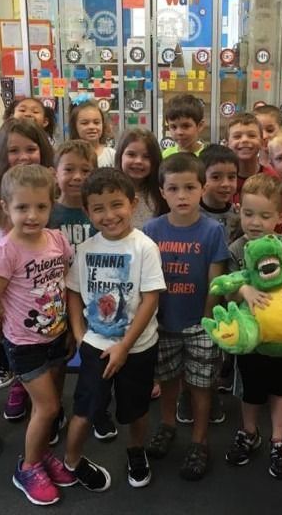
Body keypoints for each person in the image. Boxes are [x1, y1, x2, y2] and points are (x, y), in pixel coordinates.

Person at [63, 167, 166, 490]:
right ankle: (72, 460)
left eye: (116, 205)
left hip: (137, 346)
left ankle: (136, 451)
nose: (109, 215)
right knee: (86, 407)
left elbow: (150, 300)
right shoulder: (86, 248)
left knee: (135, 409)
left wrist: (124, 346)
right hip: (95, 343)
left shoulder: (144, 247)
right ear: (87, 211)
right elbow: (75, 292)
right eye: (98, 208)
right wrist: (80, 336)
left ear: (132, 203)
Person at [0, 164, 75, 505]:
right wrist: (4, 334)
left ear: (52, 205)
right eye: (22, 207)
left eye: (41, 207)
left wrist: (67, 327)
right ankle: (29, 466)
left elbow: (64, 280)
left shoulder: (57, 240)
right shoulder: (5, 252)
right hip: (24, 345)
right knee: (48, 408)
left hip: (56, 336)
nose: (32, 215)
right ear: (6, 207)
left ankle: (43, 452)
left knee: (48, 406)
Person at [144, 153, 229, 481]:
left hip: (200, 324)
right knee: (166, 381)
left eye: (190, 187)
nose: (182, 195)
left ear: (202, 188)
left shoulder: (212, 231)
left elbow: (216, 279)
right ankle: (167, 426)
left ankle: (199, 440)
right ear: (162, 192)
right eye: (174, 188)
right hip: (162, 323)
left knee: (201, 385)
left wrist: (208, 323)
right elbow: (146, 279)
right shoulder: (152, 229)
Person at [223, 174, 282, 480]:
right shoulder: (235, 249)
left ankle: (278, 439)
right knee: (250, 390)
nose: (255, 222)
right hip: (251, 338)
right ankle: (249, 432)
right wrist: (243, 291)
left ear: (281, 217)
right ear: (238, 210)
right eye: (248, 214)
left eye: (264, 215)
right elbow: (227, 287)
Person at [0, 119, 55, 418]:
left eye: (31, 149)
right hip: (7, 281)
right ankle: (20, 382)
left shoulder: (45, 186)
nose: (23, 156)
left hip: (40, 277)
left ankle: (40, 392)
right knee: (18, 339)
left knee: (45, 340)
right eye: (13, 150)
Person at [48, 139, 118, 442]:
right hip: (55, 299)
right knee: (58, 357)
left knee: (97, 359)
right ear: (55, 173)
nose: (77, 176)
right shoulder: (49, 212)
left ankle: (98, 409)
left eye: (85, 170)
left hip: (96, 298)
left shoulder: (97, 213)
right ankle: (53, 410)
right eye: (69, 169)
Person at [115, 128, 168, 230]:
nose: (138, 161)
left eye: (146, 156)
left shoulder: (162, 194)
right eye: (131, 154)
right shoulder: (108, 192)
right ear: (120, 155)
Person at [227, 113, 279, 202]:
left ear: (262, 142)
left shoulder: (272, 177)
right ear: (226, 143)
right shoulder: (223, 179)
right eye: (237, 136)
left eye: (251, 135)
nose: (244, 140)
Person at [199, 144, 241, 243]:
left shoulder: (238, 216)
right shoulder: (191, 214)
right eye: (216, 177)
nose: (226, 184)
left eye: (231, 177)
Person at [68, 97, 115, 167]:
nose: (91, 127)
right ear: (74, 126)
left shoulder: (112, 155)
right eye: (85, 123)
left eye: (96, 122)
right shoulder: (69, 155)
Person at [254, 104, 282, 168]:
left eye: (270, 130)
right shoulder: (250, 166)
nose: (264, 136)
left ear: (281, 130)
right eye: (259, 131)